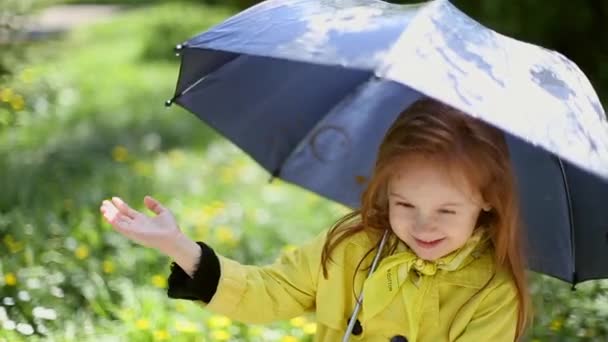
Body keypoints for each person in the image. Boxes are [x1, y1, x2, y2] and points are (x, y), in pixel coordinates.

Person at [100, 98, 532, 341]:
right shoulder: (353, 247)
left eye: (447, 210)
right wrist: (179, 246)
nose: (422, 226)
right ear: (386, 190)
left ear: (488, 200)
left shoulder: (493, 292)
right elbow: (268, 291)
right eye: (404, 205)